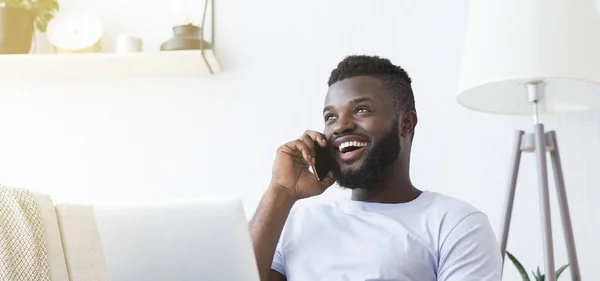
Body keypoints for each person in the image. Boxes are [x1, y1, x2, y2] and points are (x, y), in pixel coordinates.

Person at [249, 55, 502, 281]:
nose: (340, 126)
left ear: (406, 123)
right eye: (330, 117)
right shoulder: (296, 223)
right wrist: (281, 190)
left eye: (361, 110)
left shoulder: (455, 223)